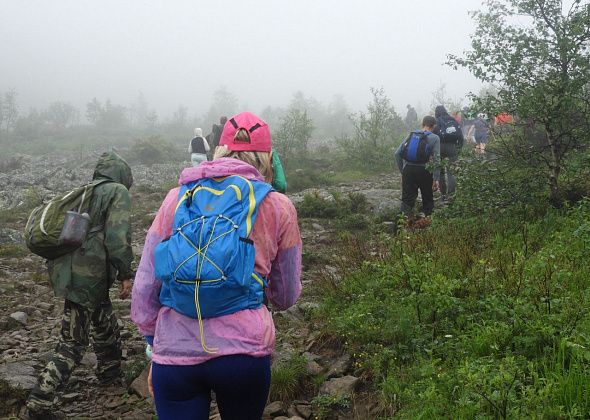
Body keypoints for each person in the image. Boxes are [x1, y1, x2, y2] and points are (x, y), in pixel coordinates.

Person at [131, 112, 302, 420]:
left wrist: (153, 345)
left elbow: (145, 287)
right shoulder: (278, 206)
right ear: (268, 156)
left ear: (218, 148)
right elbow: (286, 295)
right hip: (244, 354)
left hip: (175, 351)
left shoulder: (176, 198)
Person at [25, 151, 135, 419]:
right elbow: (118, 238)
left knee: (104, 318)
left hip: (76, 271)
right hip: (87, 276)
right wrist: (125, 273)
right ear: (122, 173)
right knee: (73, 342)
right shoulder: (117, 191)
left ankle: (110, 374)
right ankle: (39, 402)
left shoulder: (88, 191)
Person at [395, 115, 441, 218]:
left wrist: (403, 172)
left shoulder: (412, 134)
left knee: (407, 200)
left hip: (408, 170)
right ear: (433, 126)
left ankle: (400, 226)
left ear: (422, 124)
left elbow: (397, 154)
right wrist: (436, 178)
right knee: (427, 199)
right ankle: (427, 225)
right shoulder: (434, 138)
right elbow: (437, 159)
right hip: (425, 170)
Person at [434, 105, 464, 200]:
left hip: (439, 147)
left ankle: (443, 194)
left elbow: (433, 137)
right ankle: (451, 194)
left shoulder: (436, 122)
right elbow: (460, 135)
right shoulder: (452, 120)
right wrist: (459, 147)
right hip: (452, 147)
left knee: (441, 171)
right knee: (451, 171)